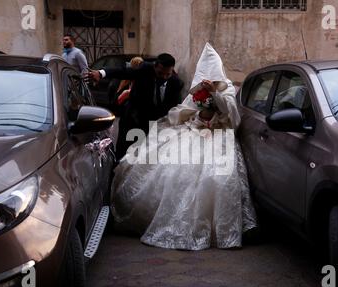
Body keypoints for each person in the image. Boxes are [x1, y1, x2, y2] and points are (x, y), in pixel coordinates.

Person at [110, 43, 258, 251]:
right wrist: (194, 115)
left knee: (218, 178)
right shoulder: (194, 90)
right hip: (196, 131)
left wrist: (214, 94)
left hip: (219, 136)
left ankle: (217, 226)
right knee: (170, 170)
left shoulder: (227, 89)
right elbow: (184, 110)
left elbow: (232, 117)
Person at [88, 53, 184, 160]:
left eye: (168, 74)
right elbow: (123, 72)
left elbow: (173, 109)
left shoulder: (176, 84)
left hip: (154, 125)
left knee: (147, 158)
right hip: (133, 120)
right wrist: (101, 73)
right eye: (160, 73)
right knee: (123, 155)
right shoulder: (145, 69)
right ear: (155, 66)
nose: (164, 77)